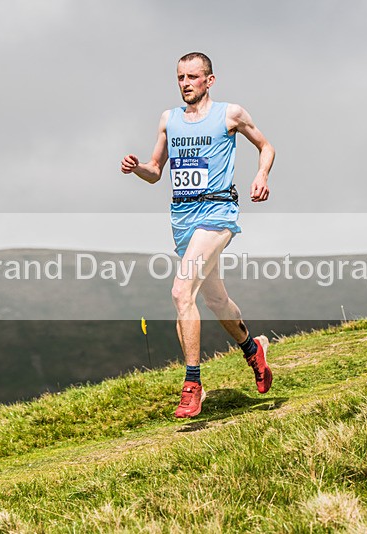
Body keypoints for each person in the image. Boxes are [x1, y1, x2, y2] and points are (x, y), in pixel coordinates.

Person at [121, 52, 275, 418]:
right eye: (180, 77)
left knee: (180, 291)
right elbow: (156, 170)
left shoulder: (230, 114)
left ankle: (192, 385)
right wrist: (137, 167)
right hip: (183, 220)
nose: (186, 83)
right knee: (216, 301)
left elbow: (266, 147)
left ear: (210, 80)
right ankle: (254, 350)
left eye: (193, 76)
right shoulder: (168, 120)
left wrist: (261, 175)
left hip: (218, 212)